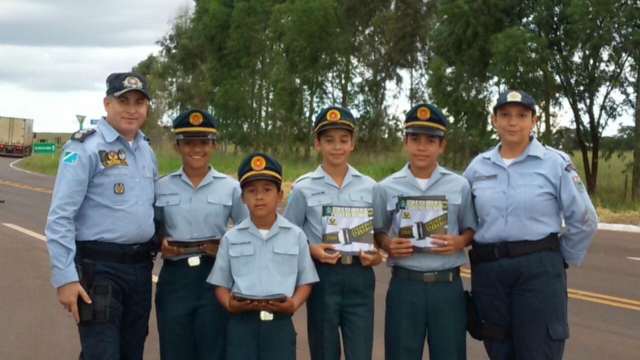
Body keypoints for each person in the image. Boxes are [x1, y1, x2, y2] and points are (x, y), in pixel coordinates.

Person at [463, 90, 598, 360]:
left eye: (522, 115)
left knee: (538, 351)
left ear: (534, 121)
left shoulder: (554, 163)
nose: (513, 122)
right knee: (499, 349)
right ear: (495, 120)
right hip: (491, 273)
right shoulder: (478, 167)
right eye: (505, 115)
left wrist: (556, 257)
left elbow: (585, 219)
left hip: (538, 273)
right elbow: (462, 217)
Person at [45, 72, 157, 360]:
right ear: (107, 103)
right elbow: (60, 218)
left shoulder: (146, 150)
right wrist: (65, 278)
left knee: (132, 352)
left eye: (139, 102)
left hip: (141, 270)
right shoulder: (85, 148)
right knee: (102, 354)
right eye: (124, 101)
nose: (132, 109)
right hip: (99, 270)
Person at [372, 103, 477, 360]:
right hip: (405, 286)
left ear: (442, 146)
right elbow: (377, 230)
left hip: (447, 287)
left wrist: (459, 242)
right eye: (415, 139)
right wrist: (387, 245)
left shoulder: (459, 185)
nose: (422, 147)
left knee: (450, 354)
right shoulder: (386, 187)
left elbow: (470, 228)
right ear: (405, 142)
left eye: (431, 140)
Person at [283, 106, 381, 360]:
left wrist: (377, 256)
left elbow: (379, 232)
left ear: (352, 144)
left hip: (360, 276)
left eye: (343, 140)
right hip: (323, 277)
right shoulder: (304, 188)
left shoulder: (370, 187)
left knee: (360, 352)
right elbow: (288, 234)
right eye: (329, 140)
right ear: (317, 144)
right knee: (324, 351)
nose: (336, 146)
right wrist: (310, 249)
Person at [154, 109, 249, 360]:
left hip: (215, 277)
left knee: (214, 350)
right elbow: (151, 230)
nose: (197, 149)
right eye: (189, 143)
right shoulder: (161, 187)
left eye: (204, 143)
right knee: (175, 350)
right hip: (175, 280)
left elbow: (247, 231)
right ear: (177, 147)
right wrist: (160, 243)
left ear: (214, 146)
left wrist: (226, 247)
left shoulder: (230, 187)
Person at [208, 152, 319, 360]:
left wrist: (293, 304)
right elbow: (220, 283)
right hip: (242, 325)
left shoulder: (295, 235)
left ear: (280, 195)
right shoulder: (232, 238)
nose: (259, 196)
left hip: (280, 325)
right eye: (251, 191)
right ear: (242, 198)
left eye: (267, 190)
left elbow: (306, 280)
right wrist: (229, 304)